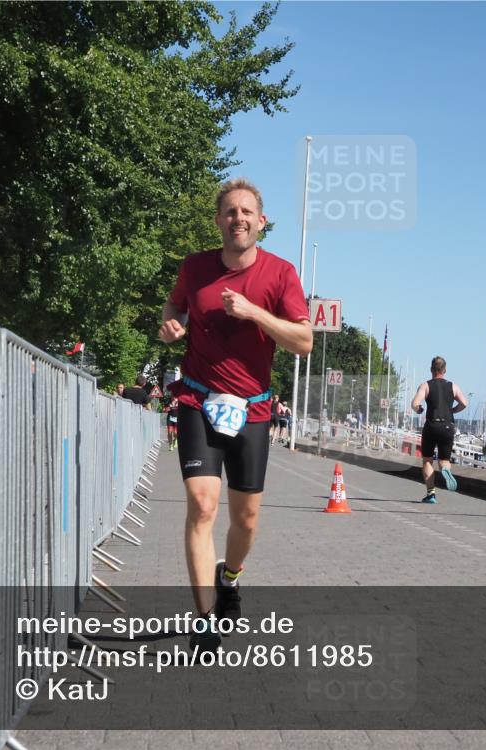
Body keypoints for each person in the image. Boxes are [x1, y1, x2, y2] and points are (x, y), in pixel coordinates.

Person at [159, 178, 312, 652]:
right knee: (203, 506)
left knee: (245, 521)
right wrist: (170, 327)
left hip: (254, 409)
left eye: (247, 212)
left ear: (261, 222)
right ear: (218, 221)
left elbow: (303, 341)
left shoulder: (281, 274)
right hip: (197, 402)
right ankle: (204, 619)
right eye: (229, 212)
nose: (238, 219)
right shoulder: (195, 267)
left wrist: (255, 314)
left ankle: (231, 577)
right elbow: (174, 306)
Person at [411, 356, 468, 504]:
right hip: (448, 426)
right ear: (445, 370)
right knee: (444, 460)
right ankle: (446, 470)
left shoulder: (425, 386)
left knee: (428, 461)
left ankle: (431, 494)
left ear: (431, 370)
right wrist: (452, 410)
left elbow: (415, 403)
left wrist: (418, 409)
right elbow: (464, 403)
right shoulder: (453, 386)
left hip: (432, 426)